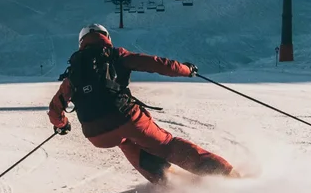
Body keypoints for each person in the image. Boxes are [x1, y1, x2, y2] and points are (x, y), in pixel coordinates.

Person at [48, 23, 238, 183]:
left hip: (96, 134)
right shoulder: (117, 55)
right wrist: (187, 70)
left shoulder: (74, 72)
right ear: (106, 37)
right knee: (166, 144)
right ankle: (225, 173)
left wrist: (62, 125)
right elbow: (159, 64)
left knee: (125, 141)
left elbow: (55, 110)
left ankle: (165, 178)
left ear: (81, 43)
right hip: (127, 118)